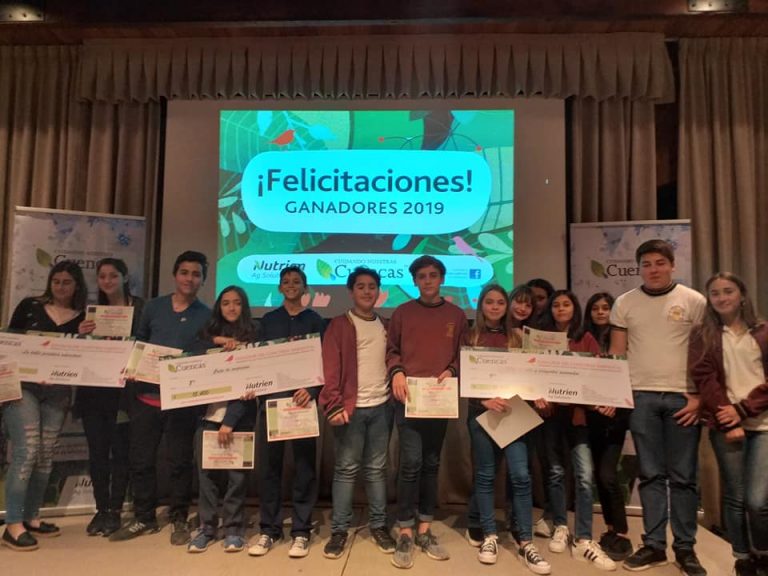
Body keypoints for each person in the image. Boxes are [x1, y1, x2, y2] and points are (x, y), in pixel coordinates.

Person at [609, 239, 707, 575]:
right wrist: (618, 396)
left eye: (660, 263)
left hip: (683, 398)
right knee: (650, 475)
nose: (653, 269)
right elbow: (617, 354)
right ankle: (653, 545)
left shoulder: (694, 301)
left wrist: (699, 397)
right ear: (638, 268)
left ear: (672, 265)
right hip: (641, 398)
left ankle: (685, 548)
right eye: (647, 264)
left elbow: (706, 354)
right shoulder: (625, 303)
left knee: (683, 477)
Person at [110, 250, 211, 545]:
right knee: (141, 460)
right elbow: (139, 342)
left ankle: (178, 517)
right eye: (184, 272)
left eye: (196, 274)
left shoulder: (207, 315)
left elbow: (204, 357)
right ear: (175, 275)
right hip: (145, 398)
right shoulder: (153, 307)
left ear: (203, 280)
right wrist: (132, 366)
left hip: (181, 401)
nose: (189, 279)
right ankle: (144, 517)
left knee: (179, 462)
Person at [387, 255, 467, 569]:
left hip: (439, 399)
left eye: (433, 275)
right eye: (422, 276)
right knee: (411, 463)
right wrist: (396, 372)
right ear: (415, 281)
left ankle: (425, 527)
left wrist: (452, 370)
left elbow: (463, 354)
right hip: (408, 398)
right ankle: (405, 529)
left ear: (442, 278)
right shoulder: (402, 312)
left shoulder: (456, 315)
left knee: (432, 464)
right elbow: (391, 350)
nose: (428, 280)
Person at [465, 284, 551, 574]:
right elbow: (463, 375)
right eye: (489, 302)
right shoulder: (470, 335)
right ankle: (489, 536)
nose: (495, 307)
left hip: (514, 414)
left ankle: (526, 542)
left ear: (506, 306)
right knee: (485, 475)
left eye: (500, 302)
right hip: (482, 414)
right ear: (481, 305)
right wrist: (483, 399)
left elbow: (531, 373)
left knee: (521, 476)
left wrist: (538, 392)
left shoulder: (518, 337)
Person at [2, 261, 87, 551]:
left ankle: (32, 517)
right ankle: (12, 525)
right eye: (56, 281)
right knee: (26, 452)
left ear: (77, 286)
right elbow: (8, 343)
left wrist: (86, 336)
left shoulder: (82, 319)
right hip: (23, 388)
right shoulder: (30, 306)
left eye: (67, 282)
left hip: (58, 392)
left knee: (46, 453)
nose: (61, 287)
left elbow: (84, 357)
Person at [689, 273, 768, 576]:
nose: (722, 298)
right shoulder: (703, 335)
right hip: (725, 423)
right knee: (735, 496)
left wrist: (743, 409)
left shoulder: (763, 331)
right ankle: (742, 558)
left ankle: (762, 553)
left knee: (757, 501)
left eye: (728, 291)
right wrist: (727, 416)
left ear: (742, 295)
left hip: (763, 425)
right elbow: (704, 378)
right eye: (715, 293)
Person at [535, 290, 616, 571]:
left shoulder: (586, 338)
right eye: (556, 305)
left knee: (584, 475)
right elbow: (532, 372)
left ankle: (583, 537)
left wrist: (583, 406)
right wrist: (537, 396)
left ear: (574, 308)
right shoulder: (541, 339)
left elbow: (596, 375)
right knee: (556, 472)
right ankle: (560, 525)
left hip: (578, 416)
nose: (560, 309)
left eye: (566, 304)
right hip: (550, 415)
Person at [248, 265, 325, 559]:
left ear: (305, 287)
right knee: (270, 468)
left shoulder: (315, 320)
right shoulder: (268, 321)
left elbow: (324, 361)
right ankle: (269, 529)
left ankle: (302, 530)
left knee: (304, 468)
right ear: (280, 288)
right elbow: (257, 360)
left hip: (302, 403)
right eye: (286, 282)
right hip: (272, 403)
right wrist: (256, 388)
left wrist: (313, 391)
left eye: (297, 281)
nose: (291, 285)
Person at [320, 267, 396, 560]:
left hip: (381, 408)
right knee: (346, 469)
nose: (367, 291)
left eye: (372, 286)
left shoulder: (386, 325)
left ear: (379, 291)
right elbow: (330, 367)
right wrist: (333, 404)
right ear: (351, 291)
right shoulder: (339, 325)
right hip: (349, 411)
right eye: (361, 286)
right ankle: (339, 530)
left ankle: (378, 525)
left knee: (377, 470)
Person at [187, 285, 260, 554]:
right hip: (206, 418)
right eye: (226, 302)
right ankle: (206, 528)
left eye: (237, 303)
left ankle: (233, 530)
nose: (231, 307)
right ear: (219, 306)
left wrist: (229, 421)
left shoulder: (252, 336)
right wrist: (218, 342)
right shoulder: (206, 334)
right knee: (206, 478)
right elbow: (190, 355)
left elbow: (248, 382)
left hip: (239, 419)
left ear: (244, 307)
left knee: (236, 479)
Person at [76, 258, 144, 537]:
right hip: (93, 394)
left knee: (120, 453)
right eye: (102, 276)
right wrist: (81, 335)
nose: (107, 281)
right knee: (97, 454)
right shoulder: (90, 313)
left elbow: (147, 344)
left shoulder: (141, 309)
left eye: (113, 275)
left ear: (125, 277)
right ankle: (101, 509)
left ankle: (115, 510)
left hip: (124, 395)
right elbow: (79, 353)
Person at [583, 292, 633, 561]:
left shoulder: (625, 339)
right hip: (591, 415)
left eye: (606, 307)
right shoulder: (583, 339)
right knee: (598, 476)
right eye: (596, 308)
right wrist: (593, 405)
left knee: (608, 474)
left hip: (616, 415)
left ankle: (622, 533)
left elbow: (630, 375)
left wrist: (615, 403)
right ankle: (610, 529)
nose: (601, 312)